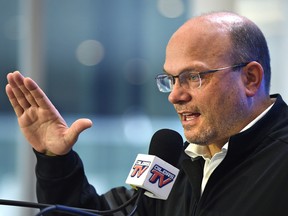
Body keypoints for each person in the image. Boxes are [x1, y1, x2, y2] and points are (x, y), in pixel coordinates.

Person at [5, 11, 288, 216]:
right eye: (171, 79)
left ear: (250, 78)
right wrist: (56, 161)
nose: (176, 95)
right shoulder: (175, 161)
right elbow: (107, 213)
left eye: (193, 76)